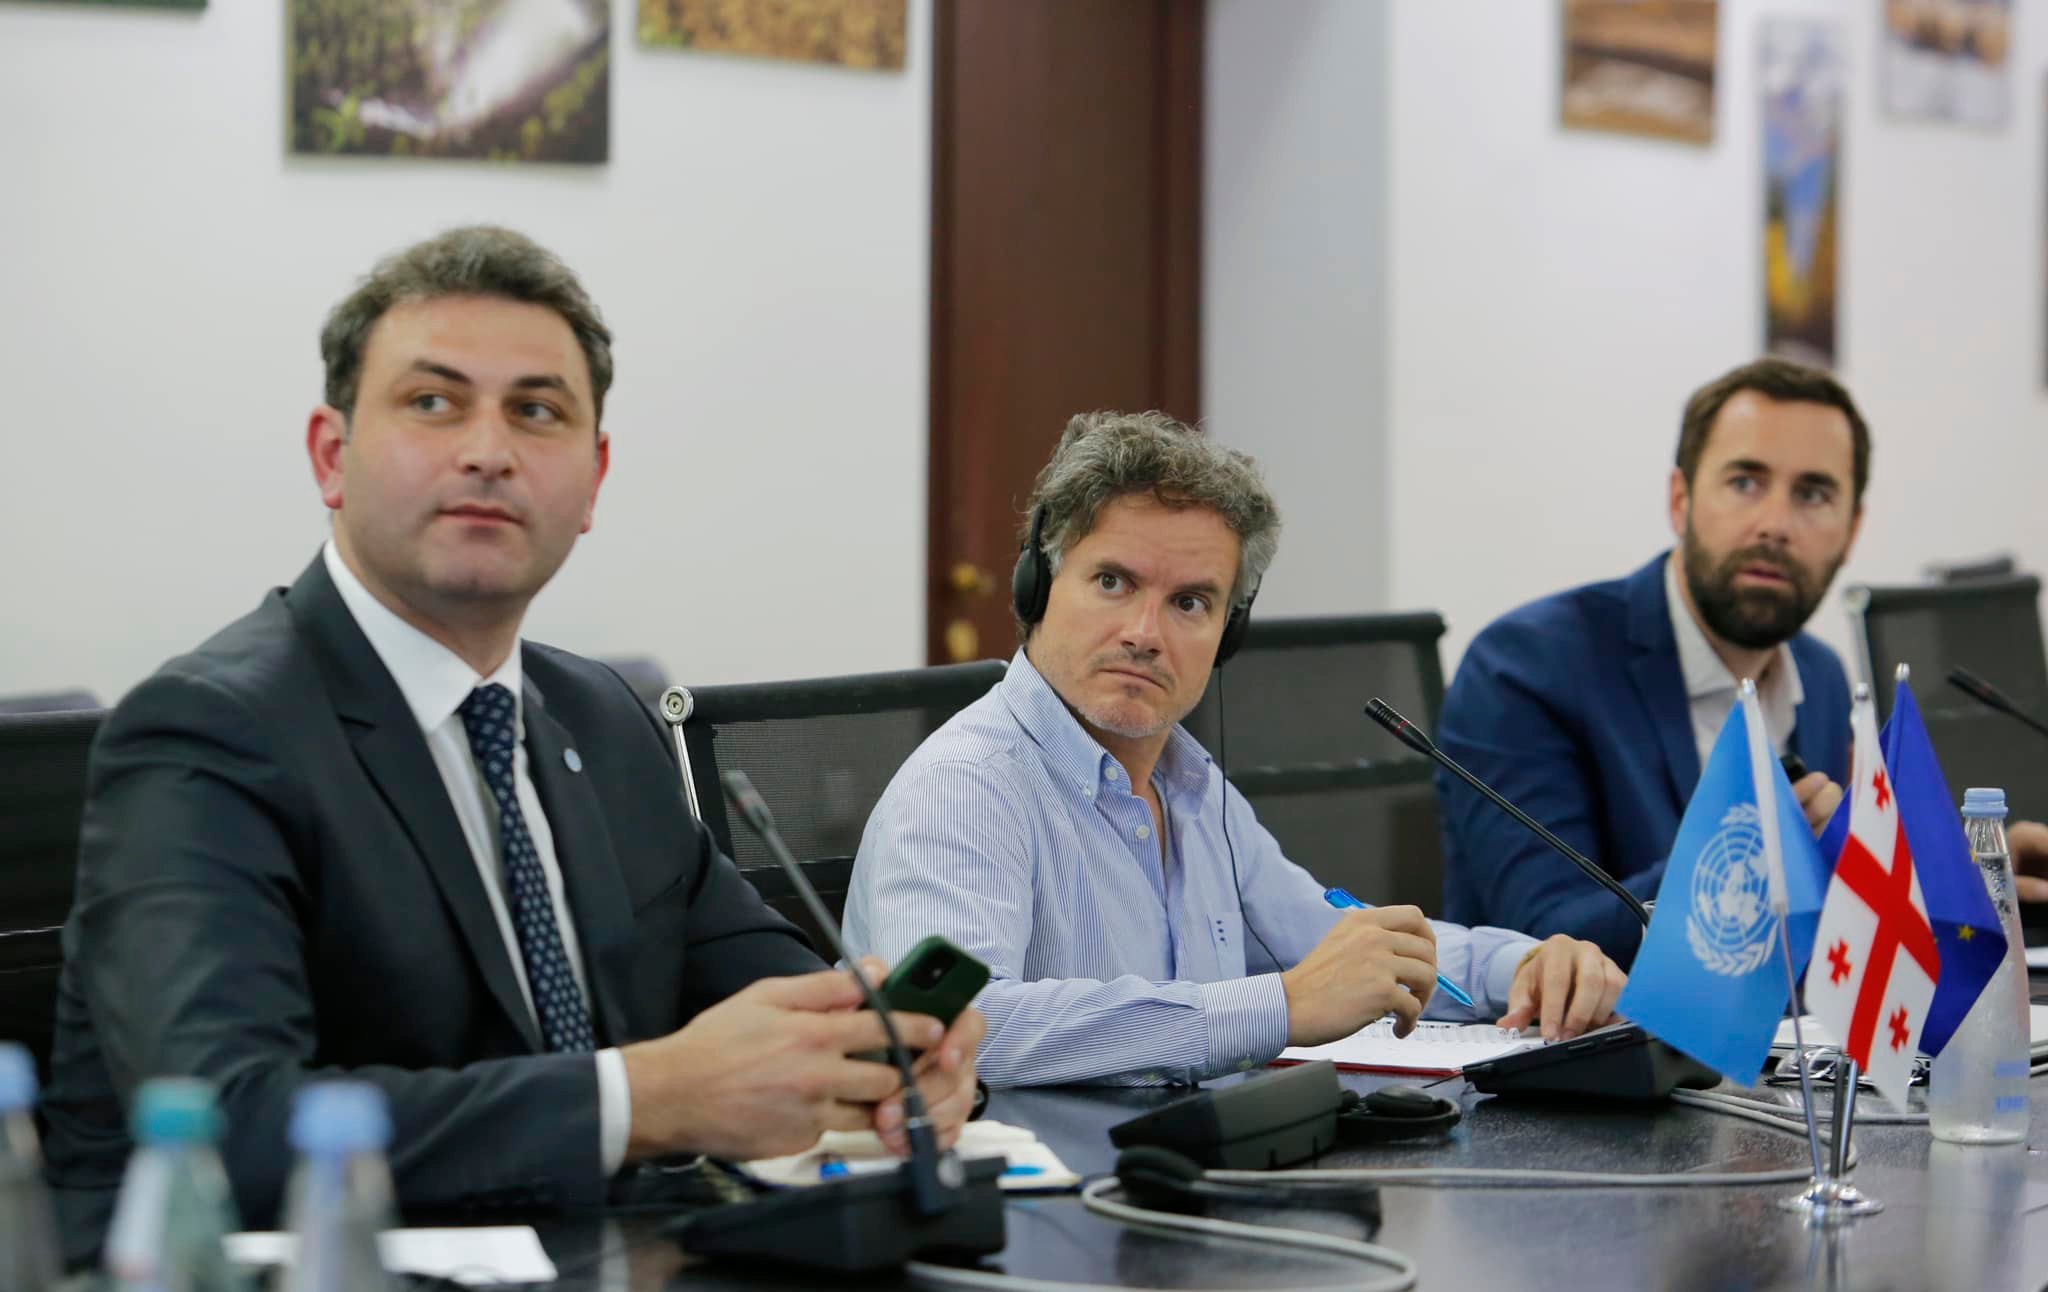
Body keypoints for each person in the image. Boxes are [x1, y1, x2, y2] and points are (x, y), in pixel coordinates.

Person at [40, 227, 982, 1258]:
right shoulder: (205, 733)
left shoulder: (602, 716)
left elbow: (768, 995)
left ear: (594, 478)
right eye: (432, 402)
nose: (487, 450)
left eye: (536, 411)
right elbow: (232, 1125)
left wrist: (881, 1054)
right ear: (330, 455)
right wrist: (645, 1098)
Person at [841, 412, 1624, 1088]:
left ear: (1229, 634)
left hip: (1188, 1166)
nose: (1145, 634)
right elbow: (953, 1026)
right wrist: (1281, 1005)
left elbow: (1336, 942)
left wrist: (1521, 969)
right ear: (1037, 587)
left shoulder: (1190, 786)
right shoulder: (965, 786)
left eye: (1189, 602)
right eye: (1112, 582)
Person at [1438, 358, 1869, 966]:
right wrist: (1744, 852)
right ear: (1680, 500)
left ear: (1852, 530)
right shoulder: (1524, 669)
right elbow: (1542, 938)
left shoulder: (1820, 677)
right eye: (1745, 483)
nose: (1775, 525)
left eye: (1813, 494)